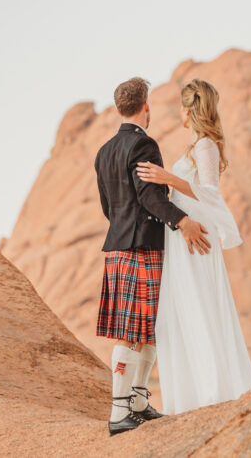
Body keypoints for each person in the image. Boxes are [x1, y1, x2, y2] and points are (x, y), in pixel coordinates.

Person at [93, 77, 210, 436]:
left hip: (118, 244)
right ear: (147, 106)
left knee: (146, 330)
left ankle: (139, 403)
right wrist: (182, 221)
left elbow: (106, 206)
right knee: (131, 333)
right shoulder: (144, 145)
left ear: (118, 110)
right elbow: (149, 196)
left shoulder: (104, 151)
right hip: (140, 247)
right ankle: (118, 414)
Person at [136, 78, 251, 414]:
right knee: (182, 310)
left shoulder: (206, 146)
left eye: (182, 105)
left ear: (190, 109)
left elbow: (210, 193)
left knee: (198, 306)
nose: (179, 112)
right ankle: (190, 396)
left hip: (195, 240)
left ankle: (211, 392)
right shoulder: (195, 147)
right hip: (182, 239)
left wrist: (167, 179)